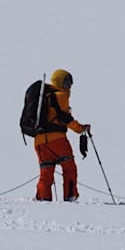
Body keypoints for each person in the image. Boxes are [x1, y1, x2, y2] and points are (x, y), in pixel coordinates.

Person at [33, 69, 90, 202]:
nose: (69, 86)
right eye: (67, 82)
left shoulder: (44, 96)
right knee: (69, 168)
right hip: (57, 140)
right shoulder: (60, 96)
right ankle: (70, 197)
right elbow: (65, 117)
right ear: (60, 82)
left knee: (46, 173)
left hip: (40, 142)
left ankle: (43, 200)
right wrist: (80, 128)